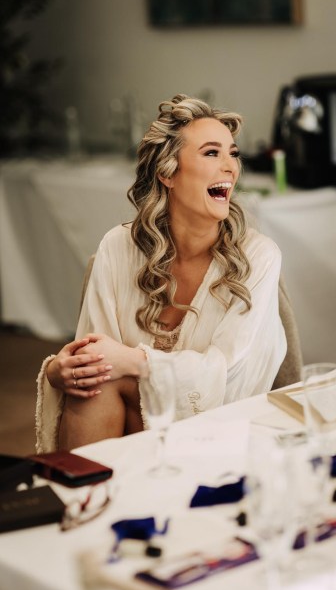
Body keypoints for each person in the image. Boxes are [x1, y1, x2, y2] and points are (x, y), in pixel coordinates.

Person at [35, 94, 287, 453]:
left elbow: (229, 377)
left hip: (219, 425)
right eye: (212, 153)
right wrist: (61, 371)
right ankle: (86, 502)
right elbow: (95, 358)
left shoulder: (258, 257)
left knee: (103, 382)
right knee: (95, 384)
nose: (231, 166)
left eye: (233, 153)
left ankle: (79, 502)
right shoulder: (118, 247)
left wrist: (134, 361)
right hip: (121, 414)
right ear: (168, 173)